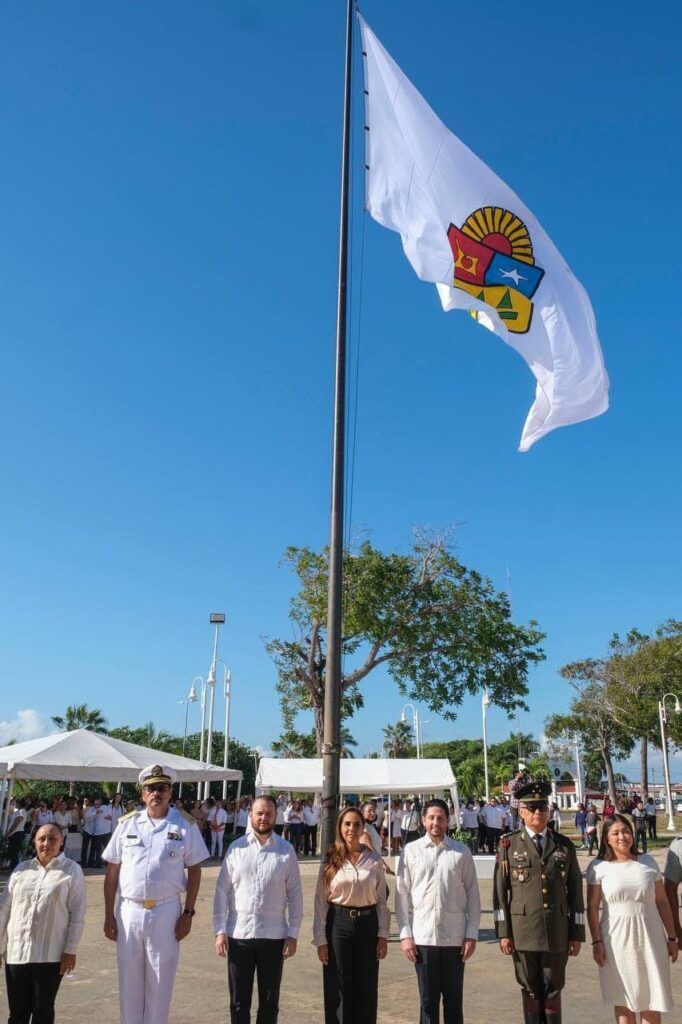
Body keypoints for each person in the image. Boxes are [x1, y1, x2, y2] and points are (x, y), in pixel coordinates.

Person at [102, 764, 209, 1024]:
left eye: (161, 788)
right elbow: (112, 871)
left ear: (170, 792)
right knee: (129, 981)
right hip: (129, 910)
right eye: (150, 789)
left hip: (166, 911)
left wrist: (189, 913)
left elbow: (195, 871)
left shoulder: (185, 825)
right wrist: (108, 916)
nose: (156, 793)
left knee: (160, 982)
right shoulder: (127, 824)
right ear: (142, 794)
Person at [494, 777, 585, 1024]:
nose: (537, 813)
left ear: (549, 809)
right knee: (530, 989)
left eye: (542, 807)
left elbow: (576, 893)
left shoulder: (564, 845)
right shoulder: (508, 845)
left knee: (553, 988)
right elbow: (500, 894)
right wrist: (504, 932)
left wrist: (576, 933)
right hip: (523, 931)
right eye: (531, 808)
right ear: (521, 812)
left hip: (557, 931)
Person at [213, 795, 302, 1024]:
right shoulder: (236, 848)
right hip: (239, 936)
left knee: (270, 1003)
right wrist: (220, 930)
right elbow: (222, 891)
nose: (264, 818)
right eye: (259, 813)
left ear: (276, 816)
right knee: (239, 1002)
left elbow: (295, 895)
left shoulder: (286, 851)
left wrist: (293, 933)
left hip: (273, 937)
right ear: (250, 814)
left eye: (269, 814)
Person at [396, 799, 480, 1024]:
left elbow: (473, 894)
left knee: (453, 1003)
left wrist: (471, 934)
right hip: (423, 940)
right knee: (427, 1003)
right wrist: (405, 935)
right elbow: (401, 895)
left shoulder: (461, 852)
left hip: (454, 940)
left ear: (448, 821)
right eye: (431, 817)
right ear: (423, 821)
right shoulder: (411, 851)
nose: (436, 822)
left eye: (441, 818)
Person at [587, 813, 676, 1023]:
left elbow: (663, 902)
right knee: (624, 1001)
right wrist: (596, 942)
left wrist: (672, 937)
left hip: (651, 936)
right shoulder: (598, 867)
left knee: (653, 1000)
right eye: (615, 833)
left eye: (626, 831)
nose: (622, 837)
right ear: (606, 838)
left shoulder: (647, 862)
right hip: (616, 941)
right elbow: (592, 907)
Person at [0, 822, 86, 1024]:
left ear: (61, 841)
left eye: (53, 839)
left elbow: (78, 912)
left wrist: (70, 949)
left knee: (43, 1011)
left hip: (50, 956)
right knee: (17, 1013)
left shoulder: (71, 871)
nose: (47, 843)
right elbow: (4, 909)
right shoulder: (22, 870)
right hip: (17, 954)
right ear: (34, 842)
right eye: (42, 839)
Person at [313, 806, 389, 1024]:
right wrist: (320, 939)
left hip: (368, 924)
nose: (352, 829)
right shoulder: (330, 859)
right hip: (339, 923)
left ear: (363, 827)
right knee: (338, 984)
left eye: (357, 824)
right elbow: (320, 901)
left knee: (366, 984)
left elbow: (382, 900)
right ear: (340, 827)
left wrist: (383, 935)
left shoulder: (373, 859)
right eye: (347, 824)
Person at [6, 800, 27, 870]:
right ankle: (12, 866)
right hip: (15, 833)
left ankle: (14, 867)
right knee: (13, 850)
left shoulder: (22, 811)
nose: (15, 804)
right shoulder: (18, 811)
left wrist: (9, 832)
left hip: (16, 833)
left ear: (19, 803)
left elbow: (17, 822)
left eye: (16, 803)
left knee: (14, 851)